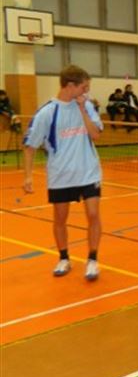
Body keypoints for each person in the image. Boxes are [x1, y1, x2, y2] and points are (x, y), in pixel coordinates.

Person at [22, 65, 103, 280]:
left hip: (88, 171)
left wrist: (83, 109)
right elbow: (30, 146)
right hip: (61, 175)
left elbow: (96, 135)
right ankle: (64, 258)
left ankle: (92, 260)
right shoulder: (47, 112)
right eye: (84, 87)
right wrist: (28, 175)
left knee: (93, 215)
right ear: (70, 86)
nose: (87, 91)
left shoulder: (87, 106)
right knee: (60, 218)